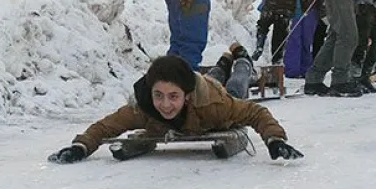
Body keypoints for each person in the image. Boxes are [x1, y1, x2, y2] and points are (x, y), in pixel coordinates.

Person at [47, 53, 304, 163]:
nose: (165, 105)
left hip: (217, 93)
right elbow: (106, 126)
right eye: (158, 95)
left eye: (173, 97)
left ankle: (241, 61)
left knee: (236, 85)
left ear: (187, 96)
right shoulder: (143, 108)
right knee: (214, 74)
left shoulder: (215, 105)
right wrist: (80, 147)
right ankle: (223, 61)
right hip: (199, 83)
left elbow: (255, 112)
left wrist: (274, 140)